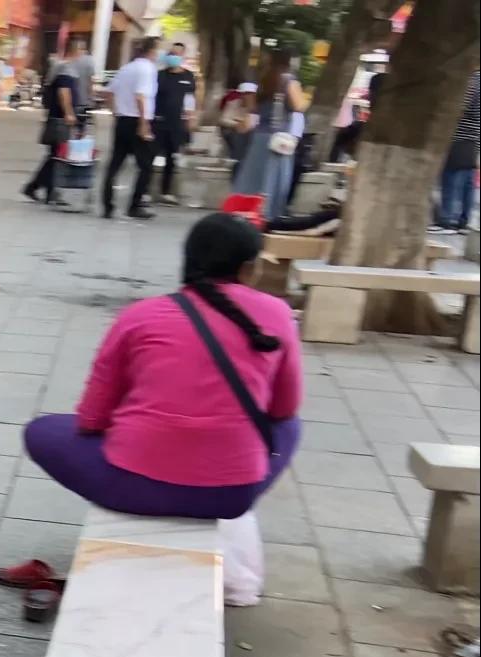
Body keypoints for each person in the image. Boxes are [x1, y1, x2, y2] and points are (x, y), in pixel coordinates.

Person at [21, 213, 301, 522]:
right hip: (233, 495)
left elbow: (91, 420)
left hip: (133, 486)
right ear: (249, 269)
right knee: (290, 425)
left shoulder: (139, 315)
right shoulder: (278, 313)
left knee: (42, 431)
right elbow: (283, 408)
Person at [229, 48, 303, 224]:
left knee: (253, 176)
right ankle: (267, 214)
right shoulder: (289, 81)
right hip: (279, 140)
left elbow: (252, 109)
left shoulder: (262, 80)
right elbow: (300, 105)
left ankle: (243, 211)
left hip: (260, 137)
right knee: (274, 179)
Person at [101, 38, 160, 220]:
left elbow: (109, 92)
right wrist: (144, 124)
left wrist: (115, 112)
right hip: (138, 120)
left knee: (115, 163)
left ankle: (107, 205)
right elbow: (141, 96)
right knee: (146, 166)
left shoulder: (127, 68)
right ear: (152, 51)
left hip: (123, 120)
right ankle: (134, 205)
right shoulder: (147, 69)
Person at [22, 53, 82, 206]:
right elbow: (64, 92)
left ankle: (48, 191)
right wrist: (69, 113)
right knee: (57, 157)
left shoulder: (60, 69)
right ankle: (36, 188)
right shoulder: (66, 70)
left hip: (55, 118)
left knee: (54, 157)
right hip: (60, 120)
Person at [433, 70, 480, 232]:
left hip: (460, 137)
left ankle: (447, 220)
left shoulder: (471, 80)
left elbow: (458, 108)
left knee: (452, 178)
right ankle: (463, 221)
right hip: (474, 138)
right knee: (468, 181)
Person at [153, 42, 197, 204]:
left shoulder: (188, 76)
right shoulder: (159, 75)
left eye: (177, 54)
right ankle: (143, 191)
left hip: (176, 123)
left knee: (172, 157)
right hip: (158, 121)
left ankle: (166, 191)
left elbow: (190, 99)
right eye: (171, 53)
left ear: (183, 56)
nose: (173, 56)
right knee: (150, 155)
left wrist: (190, 118)